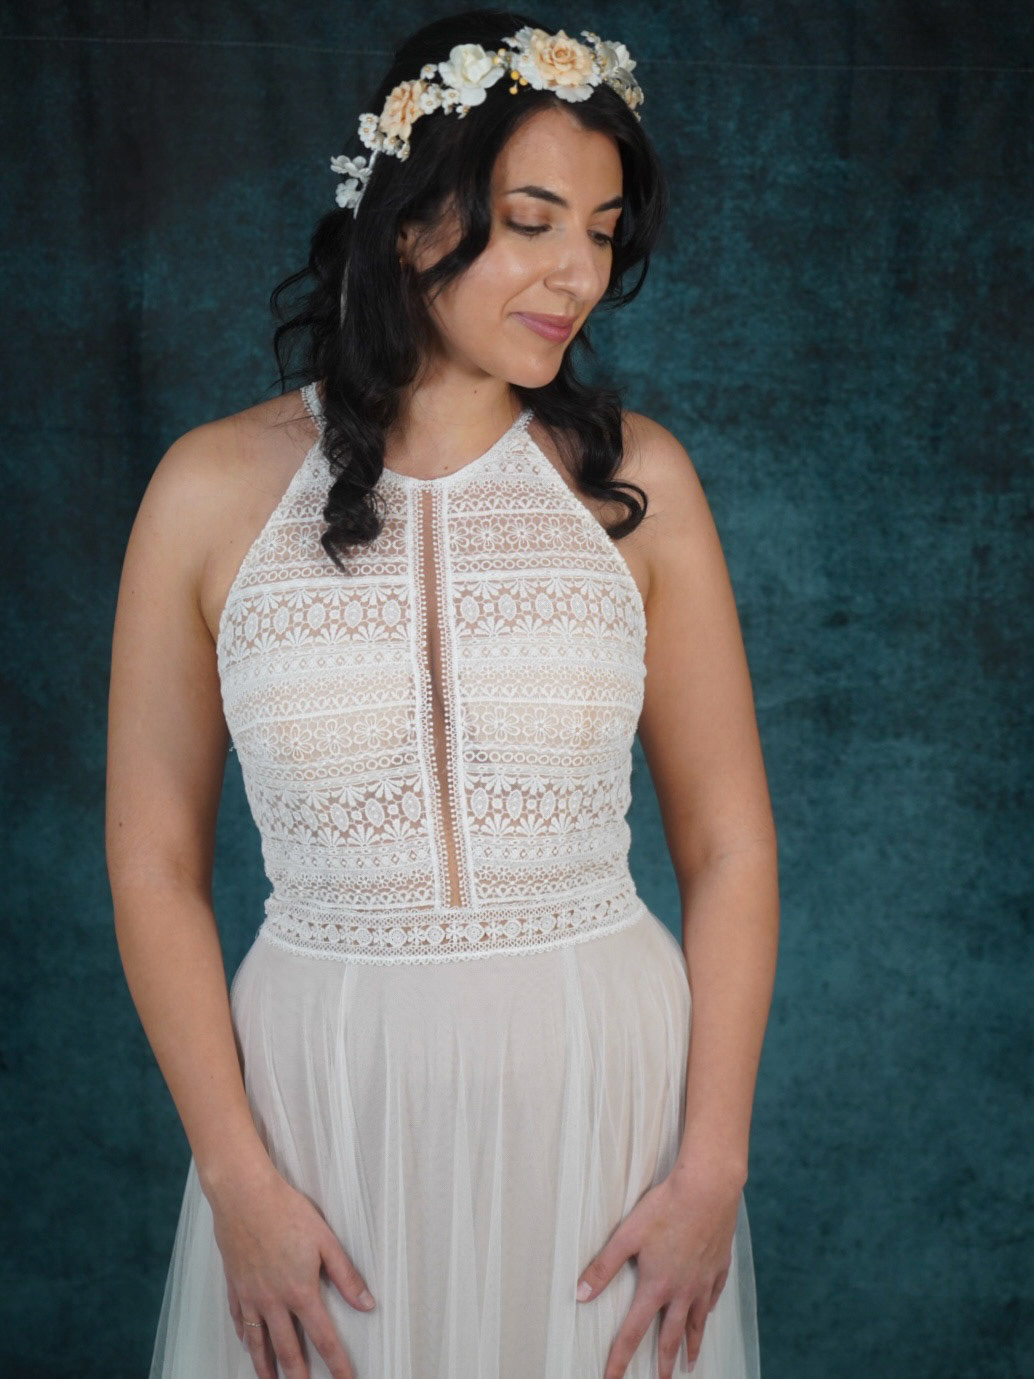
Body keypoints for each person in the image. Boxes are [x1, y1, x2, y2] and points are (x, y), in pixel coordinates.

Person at [106, 10, 779, 1379]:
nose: (576, 272)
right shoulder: (206, 490)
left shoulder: (639, 485)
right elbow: (151, 859)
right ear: (411, 223)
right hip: (318, 1110)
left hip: (606, 1099)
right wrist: (236, 1178)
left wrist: (712, 1167)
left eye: (601, 233)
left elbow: (729, 845)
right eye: (532, 222)